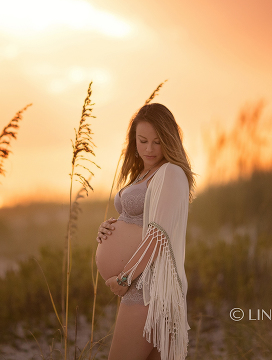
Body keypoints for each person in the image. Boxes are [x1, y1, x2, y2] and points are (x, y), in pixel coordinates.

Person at [95, 103, 195, 360]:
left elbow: (158, 235)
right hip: (141, 286)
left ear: (169, 141)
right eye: (142, 141)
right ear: (133, 140)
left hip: (146, 287)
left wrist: (125, 278)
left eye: (157, 142)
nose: (149, 149)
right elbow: (139, 220)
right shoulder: (144, 172)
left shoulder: (170, 172)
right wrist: (109, 227)